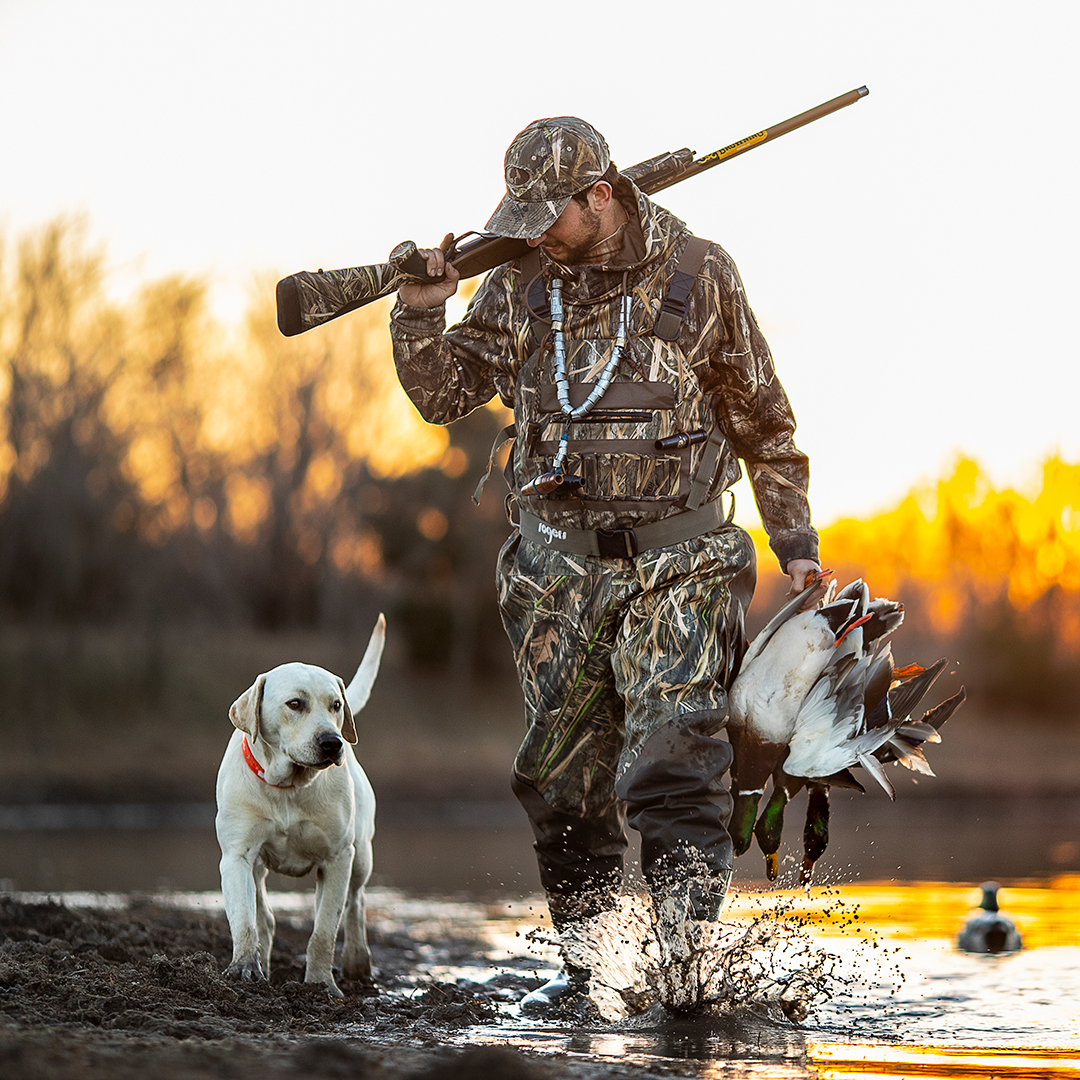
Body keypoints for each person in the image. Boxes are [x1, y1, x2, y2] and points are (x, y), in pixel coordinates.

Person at [389, 116, 820, 1012]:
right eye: (526, 215)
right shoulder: (515, 286)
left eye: (554, 212)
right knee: (559, 780)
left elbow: (765, 428)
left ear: (602, 196)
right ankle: (586, 975)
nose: (538, 229)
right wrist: (420, 313)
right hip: (554, 574)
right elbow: (442, 397)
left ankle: (687, 973)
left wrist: (798, 549)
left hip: (683, 561)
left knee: (675, 762)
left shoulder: (702, 273)